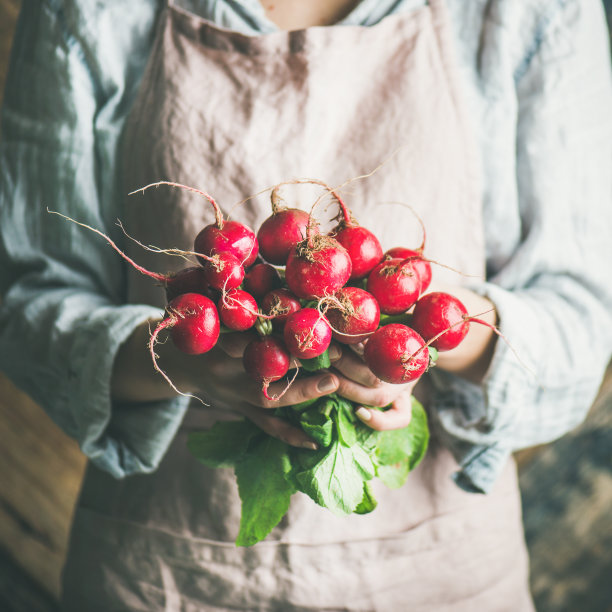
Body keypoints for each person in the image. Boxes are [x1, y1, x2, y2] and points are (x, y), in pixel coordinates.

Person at [1, 0, 611, 609]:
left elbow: (584, 317)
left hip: (440, 574)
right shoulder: (86, 10)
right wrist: (183, 358)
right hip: (166, 577)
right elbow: (22, 303)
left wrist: (430, 341)